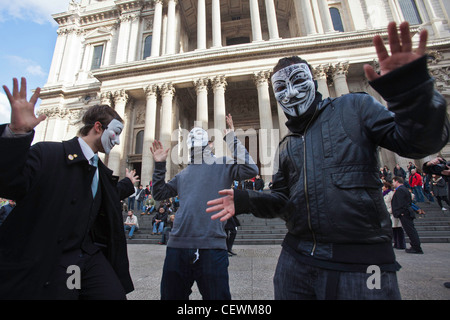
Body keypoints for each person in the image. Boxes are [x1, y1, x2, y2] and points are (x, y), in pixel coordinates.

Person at [207, 22, 449, 300]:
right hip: (296, 258)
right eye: (281, 88)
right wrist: (246, 199)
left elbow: (419, 143)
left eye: (298, 81)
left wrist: (412, 94)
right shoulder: (287, 146)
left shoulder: (354, 107)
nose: (291, 93)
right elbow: (283, 201)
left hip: (364, 262)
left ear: (313, 79)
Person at [0, 78, 139, 299]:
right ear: (97, 127)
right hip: (48, 256)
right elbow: (9, 184)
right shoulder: (49, 153)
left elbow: (104, 198)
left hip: (82, 255)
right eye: (117, 132)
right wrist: (17, 135)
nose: (119, 142)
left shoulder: (99, 170)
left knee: (112, 294)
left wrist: (127, 185)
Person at [151, 114, 258, 300]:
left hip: (211, 246)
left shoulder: (223, 164)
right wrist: (159, 165)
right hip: (178, 246)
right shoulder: (184, 174)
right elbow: (159, 194)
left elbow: (251, 169)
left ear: (210, 145)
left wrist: (231, 137)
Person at [392, 177, 423, 254]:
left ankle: (416, 247)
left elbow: (401, 202)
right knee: (410, 230)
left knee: (410, 231)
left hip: (404, 213)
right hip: (406, 212)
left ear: (397, 181)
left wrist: (400, 212)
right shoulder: (404, 189)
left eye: (393, 182)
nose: (392, 184)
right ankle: (415, 246)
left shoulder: (400, 190)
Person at [383, 182, 405, 249]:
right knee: (394, 229)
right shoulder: (384, 194)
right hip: (389, 213)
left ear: (387, 187)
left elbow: (394, 203)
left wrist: (390, 211)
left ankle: (401, 244)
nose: (382, 187)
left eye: (383, 186)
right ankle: (396, 243)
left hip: (393, 213)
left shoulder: (391, 193)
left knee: (397, 228)